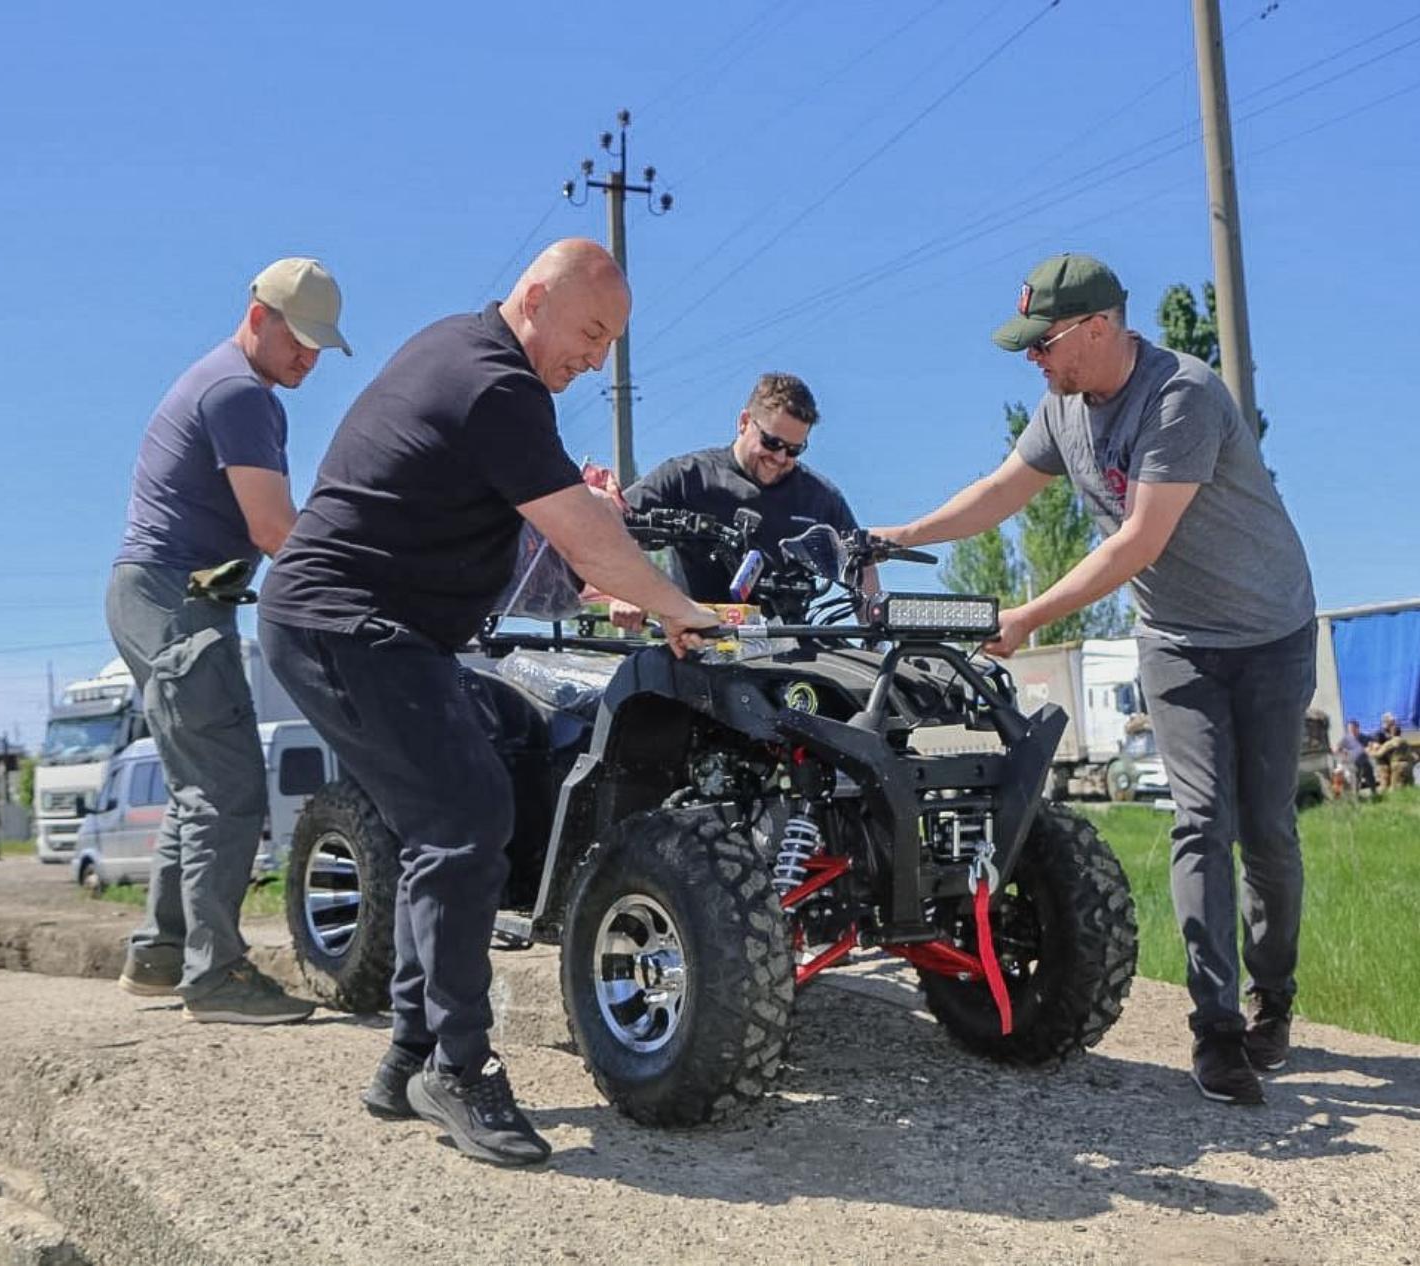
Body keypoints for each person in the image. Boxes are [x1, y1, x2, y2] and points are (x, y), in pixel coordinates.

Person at [257, 239, 713, 1167]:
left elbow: (523, 533)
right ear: (536, 298)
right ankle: (459, 1068)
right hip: (344, 624)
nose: (595, 357)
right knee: (466, 823)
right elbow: (581, 528)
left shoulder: (468, 355)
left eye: (609, 343)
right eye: (590, 332)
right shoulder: (493, 381)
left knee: (465, 805)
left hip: (374, 630)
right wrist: (679, 609)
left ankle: (409, 1059)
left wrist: (609, 588)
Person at [871, 253, 1317, 1107]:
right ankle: (1216, 1031)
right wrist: (903, 535)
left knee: (1266, 833)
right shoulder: (1061, 408)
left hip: (1269, 635)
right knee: (1198, 822)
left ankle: (1275, 1000)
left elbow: (1140, 540)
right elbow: (1004, 488)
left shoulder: (1181, 395)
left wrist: (1031, 617)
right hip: (1178, 641)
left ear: (1099, 327)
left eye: (1043, 343)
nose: (1034, 359)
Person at [106, 256, 351, 1024]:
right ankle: (215, 977)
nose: (308, 358)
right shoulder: (241, 392)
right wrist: (367, 577)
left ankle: (162, 954)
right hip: (179, 601)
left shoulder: (225, 382)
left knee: (195, 788)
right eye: (298, 340)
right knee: (230, 788)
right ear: (257, 317)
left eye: (320, 346)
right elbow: (276, 529)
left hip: (152, 595)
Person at [608, 372, 873, 628]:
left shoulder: (820, 497)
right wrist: (627, 590)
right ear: (744, 422)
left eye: (794, 450)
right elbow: (610, 525)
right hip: (698, 644)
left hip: (791, 652)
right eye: (771, 443)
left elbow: (861, 560)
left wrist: (875, 632)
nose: (780, 458)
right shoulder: (687, 476)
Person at [1368, 712, 1415, 790]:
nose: (1393, 723)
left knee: (1396, 784)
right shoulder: (1379, 733)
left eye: (1393, 721)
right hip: (1383, 763)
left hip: (1393, 762)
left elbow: (1398, 744)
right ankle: (1383, 800)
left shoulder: (1392, 732)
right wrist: (1372, 751)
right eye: (1391, 721)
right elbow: (1376, 748)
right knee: (1385, 782)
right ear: (1386, 722)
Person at [1336, 719, 1378, 794]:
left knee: (1371, 778)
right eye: (1349, 728)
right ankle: (1356, 797)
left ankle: (1374, 793)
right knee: (1356, 781)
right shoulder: (1346, 739)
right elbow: (1338, 748)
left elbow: (1374, 743)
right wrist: (1343, 752)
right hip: (1354, 764)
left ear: (1357, 728)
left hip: (1365, 762)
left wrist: (1373, 746)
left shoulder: (1364, 737)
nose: (1351, 730)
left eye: (1352, 728)